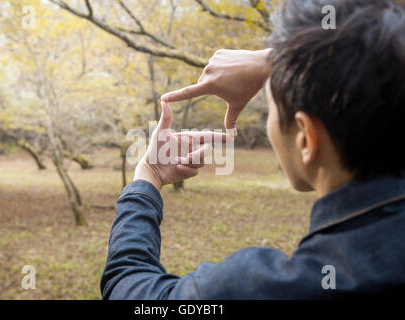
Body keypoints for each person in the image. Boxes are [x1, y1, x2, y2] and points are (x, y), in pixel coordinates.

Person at [100, 0, 405, 299]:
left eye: (269, 106)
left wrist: (147, 176)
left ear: (306, 139)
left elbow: (129, 288)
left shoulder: (270, 288)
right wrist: (282, 59)